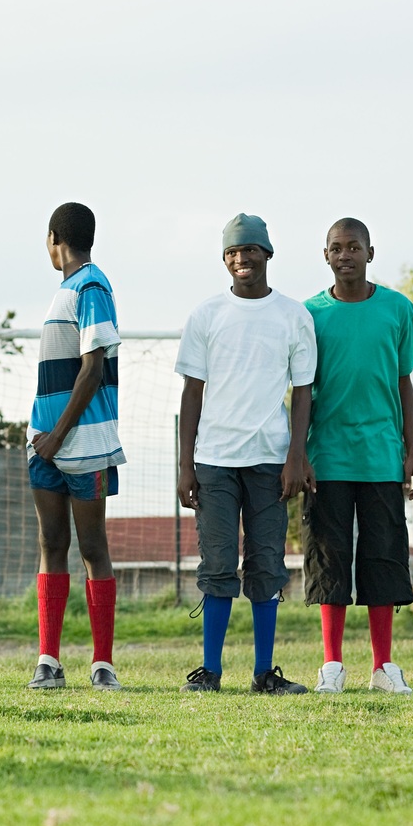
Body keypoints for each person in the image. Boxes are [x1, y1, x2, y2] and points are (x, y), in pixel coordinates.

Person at [175, 213, 318, 694]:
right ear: (224, 258)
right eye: (233, 252)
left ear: (267, 254)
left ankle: (264, 672)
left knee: (266, 564)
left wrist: (296, 455)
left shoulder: (293, 315)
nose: (242, 259)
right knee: (216, 564)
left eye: (250, 250)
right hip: (215, 460)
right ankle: (209, 671)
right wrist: (185, 464)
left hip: (269, 460)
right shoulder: (206, 315)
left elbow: (303, 392)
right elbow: (192, 392)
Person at [303, 217, 413, 694]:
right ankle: (331, 666)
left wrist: (412, 451)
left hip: (382, 456)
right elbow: (299, 392)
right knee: (329, 560)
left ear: (370, 253)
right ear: (326, 256)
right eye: (337, 247)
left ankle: (383, 667)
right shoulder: (309, 314)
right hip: (328, 457)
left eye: (354, 247)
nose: (345, 255)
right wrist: (299, 454)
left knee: (383, 559)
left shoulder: (398, 310)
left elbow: (405, 384)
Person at [27, 202, 126, 691]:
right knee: (51, 544)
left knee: (92, 548)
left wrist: (59, 434)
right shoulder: (66, 290)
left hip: (81, 444)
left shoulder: (91, 285)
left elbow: (92, 366)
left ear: (53, 239)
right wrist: (44, 439)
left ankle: (102, 663)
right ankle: (49, 660)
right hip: (44, 445)